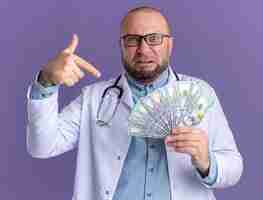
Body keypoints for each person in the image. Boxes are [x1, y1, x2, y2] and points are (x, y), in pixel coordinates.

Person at [26, 6, 243, 200]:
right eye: (132, 39)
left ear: (170, 44)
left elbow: (234, 168)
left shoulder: (201, 93)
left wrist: (207, 162)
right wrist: (46, 81)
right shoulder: (94, 98)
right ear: (121, 45)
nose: (143, 49)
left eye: (154, 38)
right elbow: (42, 147)